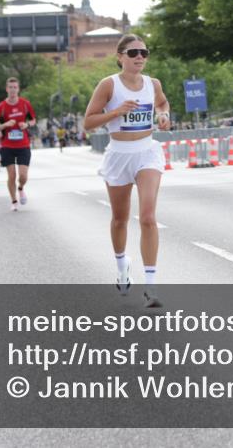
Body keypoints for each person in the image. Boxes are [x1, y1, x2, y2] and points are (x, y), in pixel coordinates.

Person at [83, 34, 171, 308]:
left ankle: (151, 286)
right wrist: (116, 111)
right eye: (133, 53)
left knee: (147, 217)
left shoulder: (152, 84)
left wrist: (164, 115)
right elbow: (88, 122)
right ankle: (122, 267)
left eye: (144, 52)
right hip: (119, 155)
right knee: (120, 219)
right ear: (120, 56)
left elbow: (162, 103)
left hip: (147, 152)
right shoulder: (108, 85)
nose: (140, 58)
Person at [0, 77, 37, 211]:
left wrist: (26, 124)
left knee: (23, 176)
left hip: (23, 145)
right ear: (6, 89)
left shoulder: (25, 104)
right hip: (7, 146)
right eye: (10, 87)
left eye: (15, 87)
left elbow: (33, 120)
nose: (12, 90)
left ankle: (21, 188)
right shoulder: (2, 107)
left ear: (18, 89)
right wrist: (5, 124)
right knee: (11, 176)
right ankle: (14, 201)